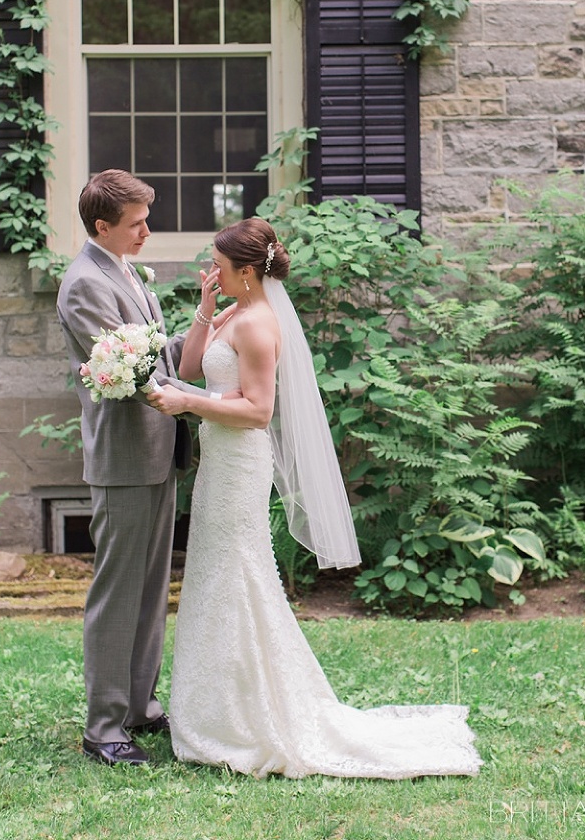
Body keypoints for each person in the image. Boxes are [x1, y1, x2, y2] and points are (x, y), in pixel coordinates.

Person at [147, 216, 482, 779]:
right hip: (218, 465)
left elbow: (257, 412)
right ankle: (218, 708)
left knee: (237, 573)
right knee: (215, 572)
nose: (212, 271)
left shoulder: (259, 325)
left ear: (248, 271)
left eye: (220, 267)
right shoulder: (233, 311)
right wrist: (205, 307)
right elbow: (186, 369)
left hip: (239, 465)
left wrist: (190, 406)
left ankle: (245, 717)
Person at [57, 169, 211, 767]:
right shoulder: (82, 284)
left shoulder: (124, 270)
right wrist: (203, 404)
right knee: (118, 594)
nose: (148, 231)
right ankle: (103, 727)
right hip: (123, 456)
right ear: (103, 227)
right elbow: (124, 370)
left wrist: (203, 317)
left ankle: (139, 706)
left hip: (156, 452)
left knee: (150, 592)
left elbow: (152, 353)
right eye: (137, 223)